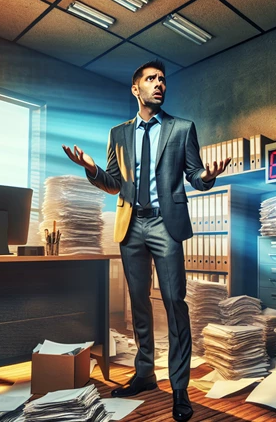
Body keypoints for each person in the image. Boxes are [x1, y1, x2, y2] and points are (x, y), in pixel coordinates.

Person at [62, 60, 229, 421]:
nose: (159, 84)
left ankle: (180, 388)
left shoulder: (182, 128)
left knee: (174, 302)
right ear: (135, 89)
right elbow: (113, 183)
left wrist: (208, 175)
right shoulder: (118, 133)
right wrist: (92, 169)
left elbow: (194, 174)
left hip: (165, 226)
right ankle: (144, 374)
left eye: (162, 80)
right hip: (130, 226)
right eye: (151, 79)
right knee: (138, 303)